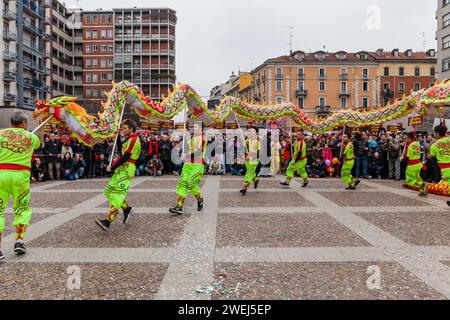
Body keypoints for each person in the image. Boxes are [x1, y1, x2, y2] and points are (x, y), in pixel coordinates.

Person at [0, 111, 41, 260]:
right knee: (22, 208)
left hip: (1, 174)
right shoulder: (31, 137)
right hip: (21, 176)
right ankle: (19, 240)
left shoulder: (1, 133)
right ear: (23, 123)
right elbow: (37, 144)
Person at [95, 119, 141, 231]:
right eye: (122, 128)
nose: (123, 130)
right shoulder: (128, 139)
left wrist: (113, 166)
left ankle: (107, 222)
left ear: (131, 129)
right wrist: (118, 140)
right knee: (108, 191)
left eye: (125, 128)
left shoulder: (134, 140)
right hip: (121, 168)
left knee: (117, 194)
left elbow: (126, 157)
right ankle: (126, 208)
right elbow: (121, 151)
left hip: (127, 169)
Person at [170, 123, 207, 215]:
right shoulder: (191, 137)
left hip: (197, 164)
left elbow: (198, 152)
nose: (194, 128)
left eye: (196, 126)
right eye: (193, 127)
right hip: (188, 164)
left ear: (201, 128)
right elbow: (187, 148)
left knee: (191, 183)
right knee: (182, 184)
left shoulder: (203, 138)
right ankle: (179, 206)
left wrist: (186, 155)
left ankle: (199, 199)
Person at [403, 132, 428, 197]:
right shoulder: (417, 143)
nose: (405, 140)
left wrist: (402, 158)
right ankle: (423, 192)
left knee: (409, 179)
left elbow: (407, 156)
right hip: (418, 164)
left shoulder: (409, 145)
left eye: (406, 138)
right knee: (417, 178)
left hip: (412, 165)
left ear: (410, 138)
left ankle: (422, 184)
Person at [240, 126, 261, 196]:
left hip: (254, 160)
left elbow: (259, 152)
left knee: (249, 173)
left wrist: (252, 157)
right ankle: (255, 180)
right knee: (250, 172)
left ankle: (244, 188)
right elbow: (242, 149)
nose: (250, 132)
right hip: (247, 159)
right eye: (249, 131)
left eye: (252, 131)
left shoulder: (258, 141)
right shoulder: (246, 141)